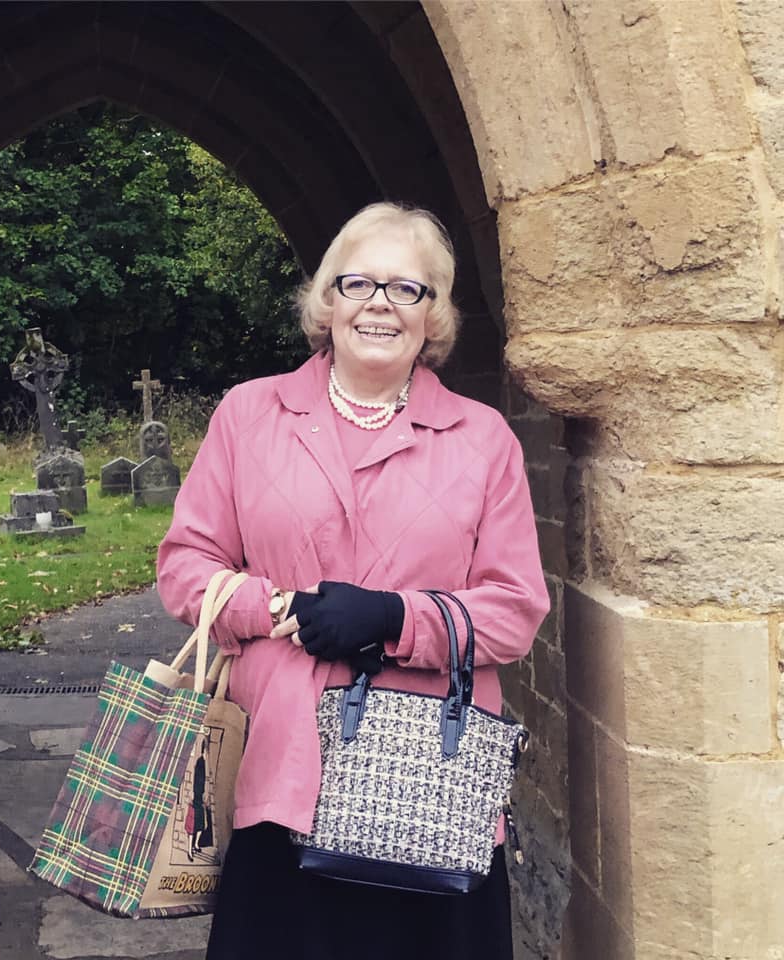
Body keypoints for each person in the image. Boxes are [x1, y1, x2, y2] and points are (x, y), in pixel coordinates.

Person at [157, 201, 549, 960]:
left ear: (433, 314)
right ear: (327, 300)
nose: (379, 304)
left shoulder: (483, 439)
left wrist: (395, 619)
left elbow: (515, 610)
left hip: (427, 785)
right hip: (280, 766)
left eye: (406, 288)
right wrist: (277, 606)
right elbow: (185, 567)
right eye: (358, 283)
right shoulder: (249, 415)